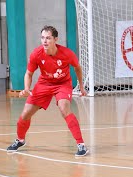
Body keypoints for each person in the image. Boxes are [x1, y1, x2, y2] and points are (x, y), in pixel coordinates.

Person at [7, 25, 89, 157]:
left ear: (55, 39)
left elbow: (77, 68)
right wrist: (27, 89)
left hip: (63, 84)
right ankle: (20, 140)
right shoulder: (36, 54)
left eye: (48, 38)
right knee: (25, 114)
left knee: (64, 109)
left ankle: (81, 145)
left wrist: (81, 86)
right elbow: (29, 73)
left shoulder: (67, 53)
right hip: (44, 84)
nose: (45, 41)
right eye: (43, 38)